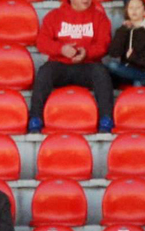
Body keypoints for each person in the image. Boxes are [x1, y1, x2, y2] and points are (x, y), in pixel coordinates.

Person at [31, 0, 115, 133]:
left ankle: (106, 118)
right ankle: (35, 118)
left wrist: (86, 52)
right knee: (44, 72)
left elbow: (104, 45)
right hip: (60, 65)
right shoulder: (54, 16)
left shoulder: (100, 18)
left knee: (102, 73)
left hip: (87, 65)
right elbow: (42, 42)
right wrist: (61, 49)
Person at [106, 0, 145, 87]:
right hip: (127, 71)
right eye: (131, 8)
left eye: (138, 8)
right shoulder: (123, 30)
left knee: (138, 83)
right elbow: (114, 53)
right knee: (111, 66)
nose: (134, 11)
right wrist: (123, 30)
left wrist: (135, 58)